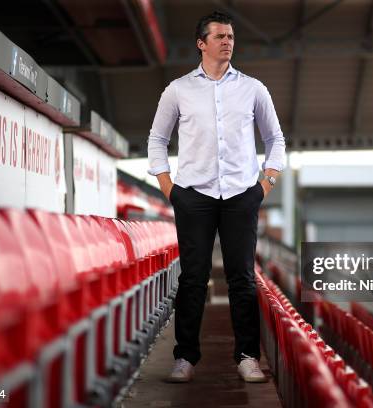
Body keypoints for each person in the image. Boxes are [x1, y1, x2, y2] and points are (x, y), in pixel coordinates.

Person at [146, 11, 286, 383]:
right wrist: (168, 188)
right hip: (193, 195)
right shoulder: (178, 89)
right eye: (220, 36)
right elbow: (157, 139)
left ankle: (247, 357)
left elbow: (275, 140)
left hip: (242, 194)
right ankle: (184, 358)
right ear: (201, 43)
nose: (228, 41)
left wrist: (266, 184)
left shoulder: (254, 89)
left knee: (242, 278)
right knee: (193, 278)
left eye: (231, 36)